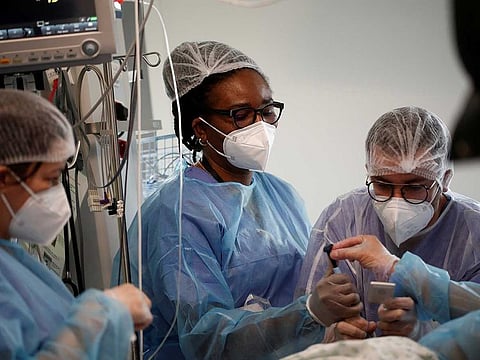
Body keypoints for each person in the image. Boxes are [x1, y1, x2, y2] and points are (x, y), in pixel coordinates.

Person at [115, 40, 364, 359]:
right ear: (200, 128)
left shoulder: (281, 195)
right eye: (241, 115)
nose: (260, 125)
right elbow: (206, 338)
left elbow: (302, 286)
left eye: (267, 110)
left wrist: (331, 320)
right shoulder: (178, 212)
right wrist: (309, 313)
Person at [295, 106, 480, 341]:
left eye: (414, 187)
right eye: (382, 185)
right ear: (369, 173)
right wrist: (330, 336)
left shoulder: (473, 231)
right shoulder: (343, 217)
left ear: (444, 180)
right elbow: (302, 323)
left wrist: (422, 333)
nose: (396, 202)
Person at [0, 89, 153, 359]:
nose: (58, 194)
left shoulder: (11, 258)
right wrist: (104, 314)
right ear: (4, 179)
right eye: (51, 179)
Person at [328, 235, 480, 360]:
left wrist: (417, 332)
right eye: (383, 195)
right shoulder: (341, 216)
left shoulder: (473, 234)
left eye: (413, 195)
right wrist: (328, 330)